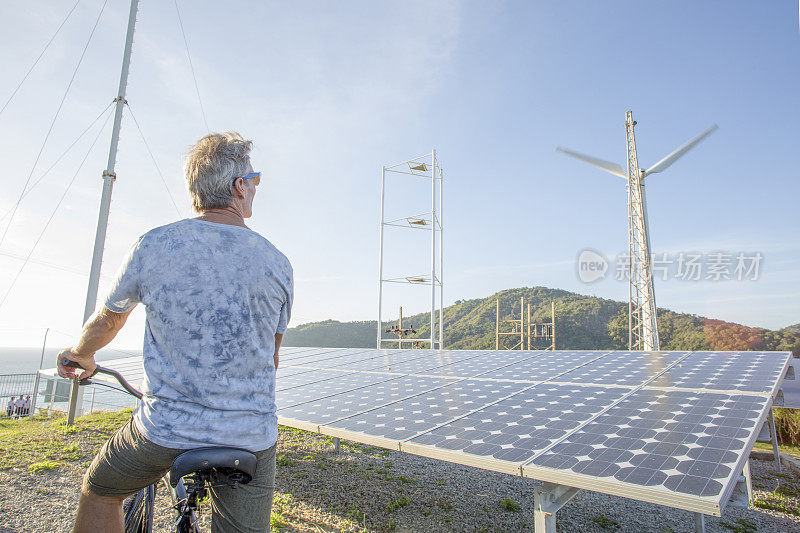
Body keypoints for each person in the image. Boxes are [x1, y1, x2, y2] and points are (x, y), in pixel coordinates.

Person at [57, 132, 293, 533]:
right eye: (254, 180)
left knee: (100, 487)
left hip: (165, 430)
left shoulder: (153, 245)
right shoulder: (277, 262)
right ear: (239, 187)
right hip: (248, 435)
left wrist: (82, 354)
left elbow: (109, 319)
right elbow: (270, 356)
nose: (254, 188)